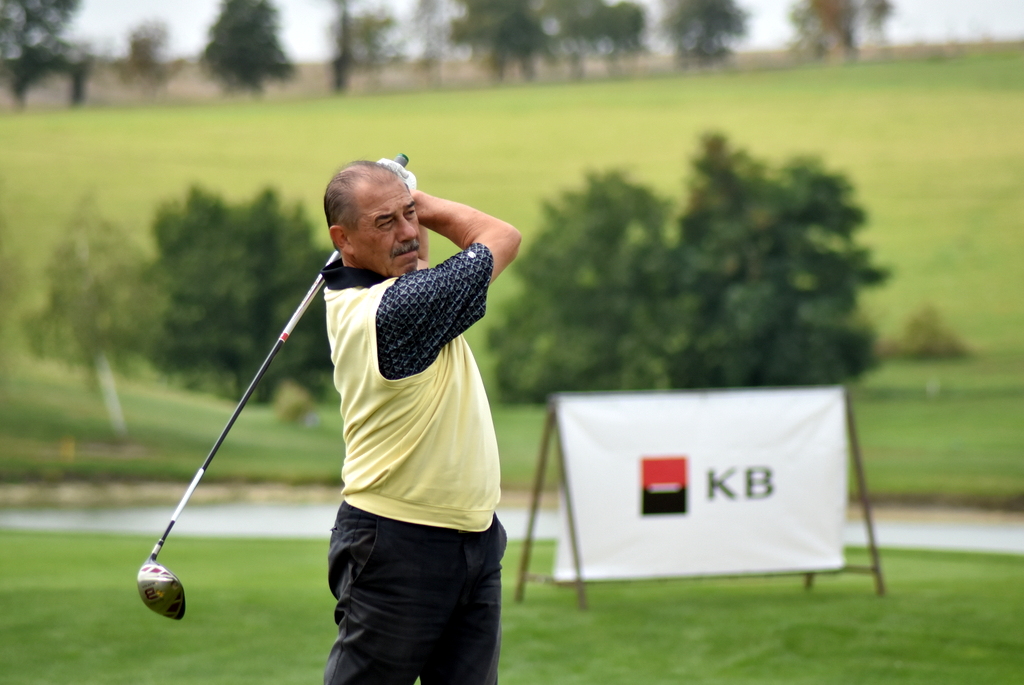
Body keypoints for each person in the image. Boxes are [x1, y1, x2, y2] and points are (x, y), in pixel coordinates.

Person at [319, 158, 521, 685]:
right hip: (398, 544)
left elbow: (418, 261)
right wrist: (420, 200)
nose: (409, 232)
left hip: (474, 539)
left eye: (410, 215)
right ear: (343, 240)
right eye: (385, 222)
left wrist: (399, 204)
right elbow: (501, 236)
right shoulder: (395, 310)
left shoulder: (382, 289)